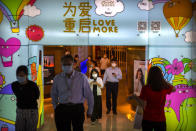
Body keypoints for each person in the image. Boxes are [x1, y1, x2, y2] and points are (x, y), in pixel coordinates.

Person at [51, 55, 94, 131]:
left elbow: (89, 95)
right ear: (61, 65)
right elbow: (54, 93)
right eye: (64, 64)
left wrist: (90, 110)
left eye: (69, 64)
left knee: (78, 128)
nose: (66, 66)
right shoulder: (57, 78)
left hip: (77, 108)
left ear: (73, 64)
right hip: (62, 108)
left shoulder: (81, 77)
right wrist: (55, 107)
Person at [128, 66, 176, 131]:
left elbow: (144, 105)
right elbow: (174, 89)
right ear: (160, 76)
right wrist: (163, 81)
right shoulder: (164, 88)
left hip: (147, 119)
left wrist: (135, 97)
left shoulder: (146, 88)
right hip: (160, 119)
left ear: (149, 75)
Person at [11, 65, 40, 131]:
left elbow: (37, 96)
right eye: (19, 75)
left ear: (26, 75)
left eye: (22, 75)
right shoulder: (14, 85)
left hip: (32, 111)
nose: (20, 77)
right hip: (20, 111)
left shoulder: (33, 85)